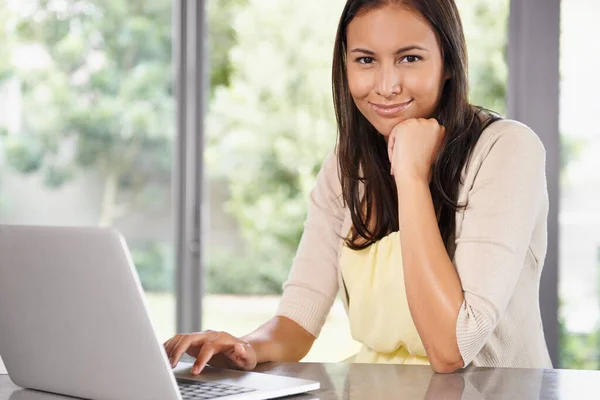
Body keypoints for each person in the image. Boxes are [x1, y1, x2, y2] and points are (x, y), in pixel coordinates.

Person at [163, 0, 552, 374]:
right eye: (366, 60)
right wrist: (244, 347)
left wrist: (412, 177)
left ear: (448, 63)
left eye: (409, 58)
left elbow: (451, 349)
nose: (386, 86)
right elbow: (297, 320)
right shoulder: (344, 168)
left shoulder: (506, 150)